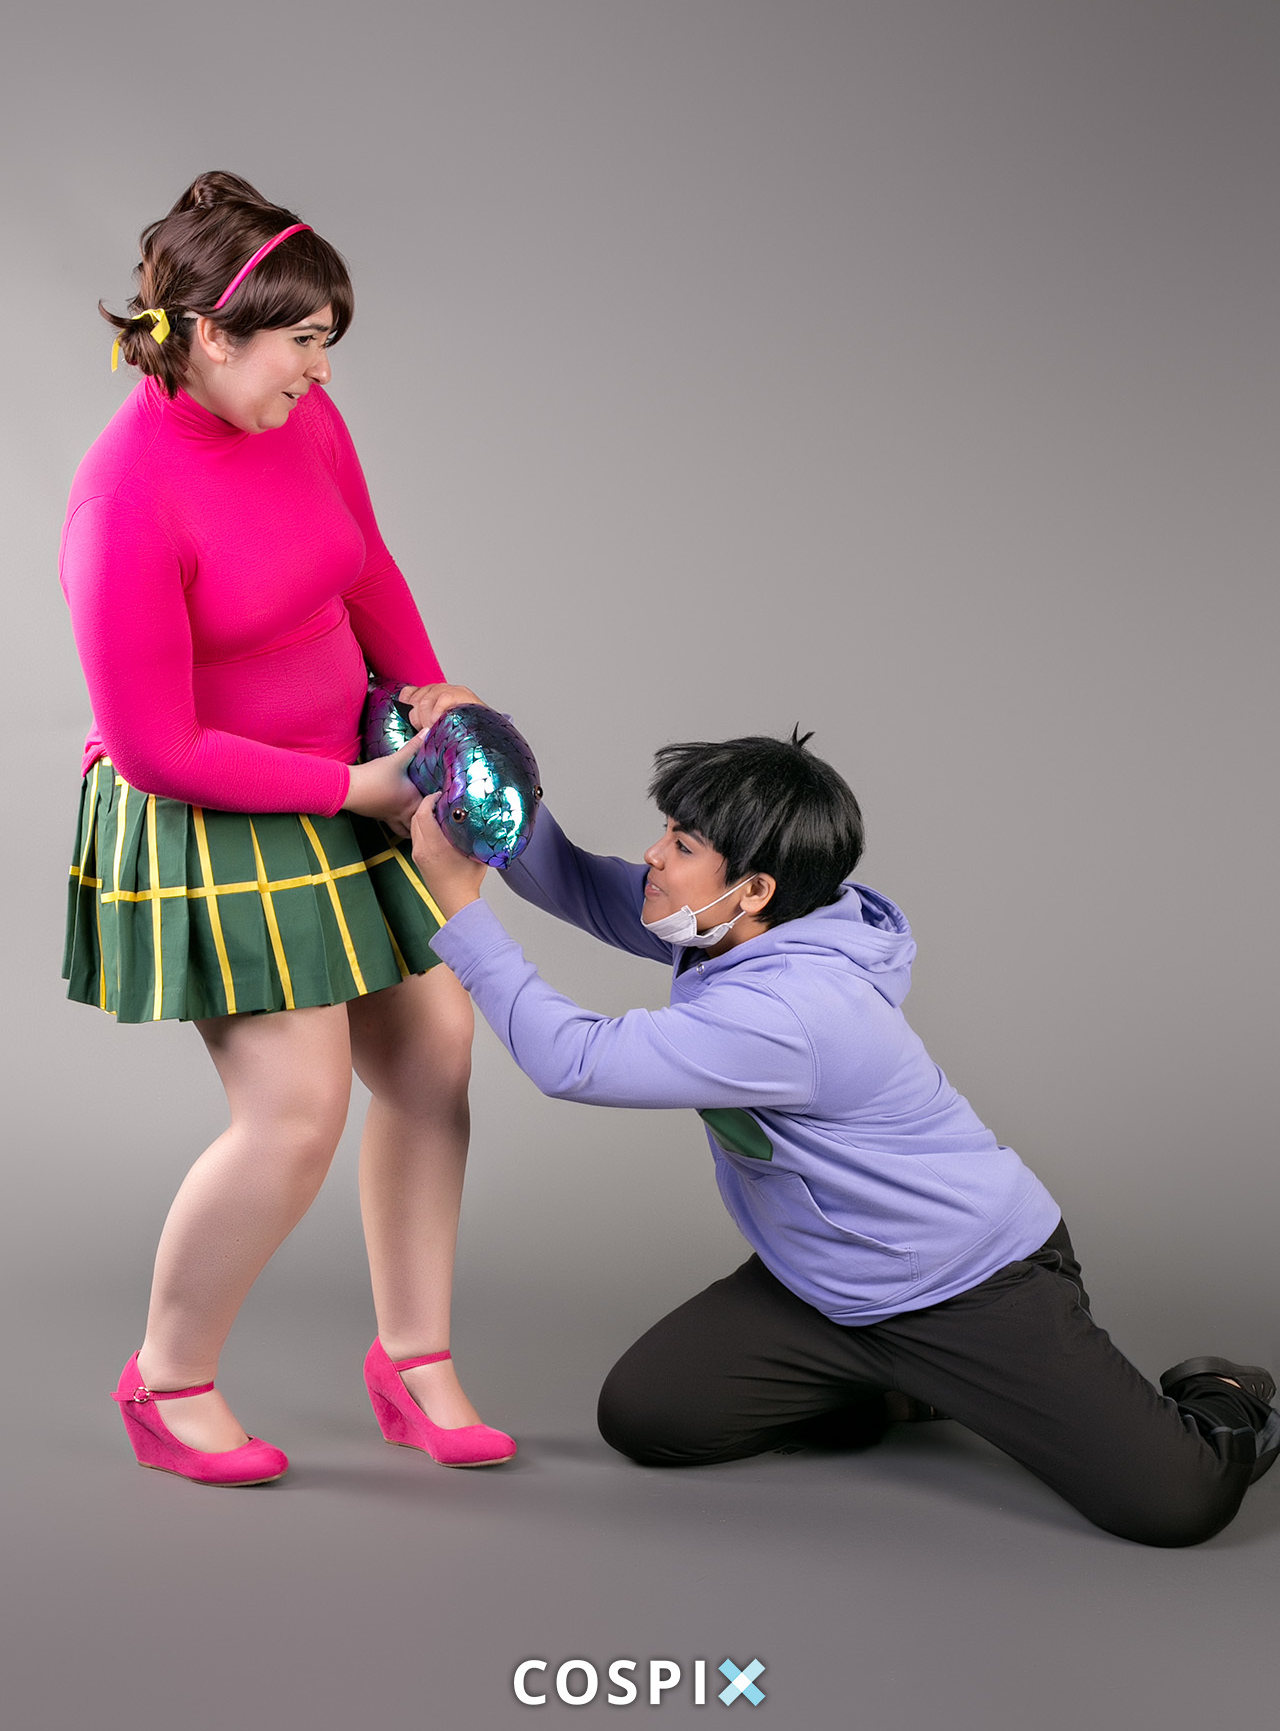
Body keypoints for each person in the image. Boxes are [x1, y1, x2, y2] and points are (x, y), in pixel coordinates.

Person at [408, 727, 1278, 1545]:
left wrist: (458, 905)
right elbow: (568, 878)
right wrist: (476, 750)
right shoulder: (737, 928)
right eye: (667, 831)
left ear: (754, 890)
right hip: (826, 1287)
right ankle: (898, 1383)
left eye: (682, 845)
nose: (653, 856)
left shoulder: (798, 1011)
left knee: (1179, 1501)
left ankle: (1228, 1392)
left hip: (968, 1282)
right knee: (651, 1417)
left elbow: (574, 1062)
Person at [61, 172, 515, 1485]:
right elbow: (156, 748)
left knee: (433, 1052)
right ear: (211, 335)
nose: (319, 372)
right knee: (296, 1113)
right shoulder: (123, 503)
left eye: (327, 345)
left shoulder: (301, 418)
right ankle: (167, 1381)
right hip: (216, 804)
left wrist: (428, 697)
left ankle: (413, 1361)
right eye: (301, 343)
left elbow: (362, 562)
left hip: (353, 767)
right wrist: (359, 792)